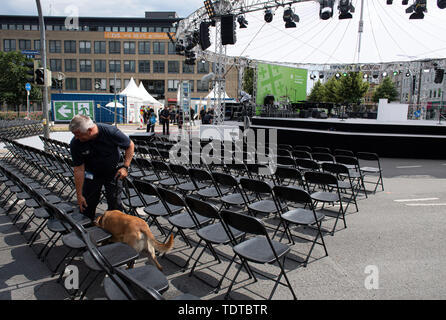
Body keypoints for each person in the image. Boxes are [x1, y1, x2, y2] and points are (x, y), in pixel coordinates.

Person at [69, 115, 134, 221]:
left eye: (78, 135)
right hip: (92, 174)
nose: (76, 137)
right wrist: (79, 195)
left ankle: (113, 232)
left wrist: (125, 167)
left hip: (113, 172)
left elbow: (130, 145)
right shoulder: (76, 143)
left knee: (115, 206)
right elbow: (79, 169)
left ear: (89, 130)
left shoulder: (110, 132)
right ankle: (87, 230)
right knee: (86, 204)